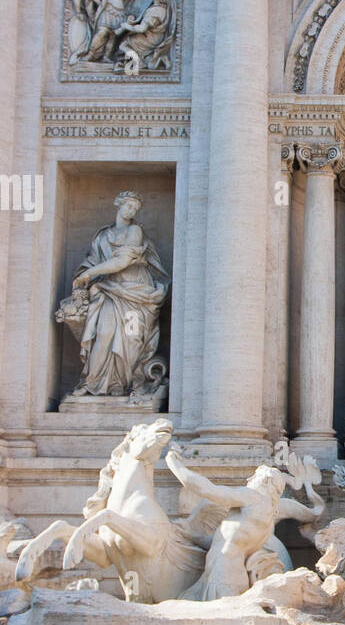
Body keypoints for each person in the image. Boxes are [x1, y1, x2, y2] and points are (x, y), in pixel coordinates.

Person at [165, 449, 324, 601]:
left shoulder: (252, 497)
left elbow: (206, 489)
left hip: (223, 575)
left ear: (264, 481)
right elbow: (228, 541)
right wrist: (195, 537)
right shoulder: (271, 514)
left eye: (254, 476)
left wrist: (173, 463)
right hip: (229, 574)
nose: (249, 480)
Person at [59, 192, 169, 399]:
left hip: (135, 295)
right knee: (103, 334)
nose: (131, 211)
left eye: (135, 209)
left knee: (131, 336)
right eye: (129, 206)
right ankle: (93, 383)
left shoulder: (135, 231)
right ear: (118, 205)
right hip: (109, 291)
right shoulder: (102, 236)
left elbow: (121, 262)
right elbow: (91, 261)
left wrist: (89, 274)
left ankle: (124, 385)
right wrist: (87, 276)